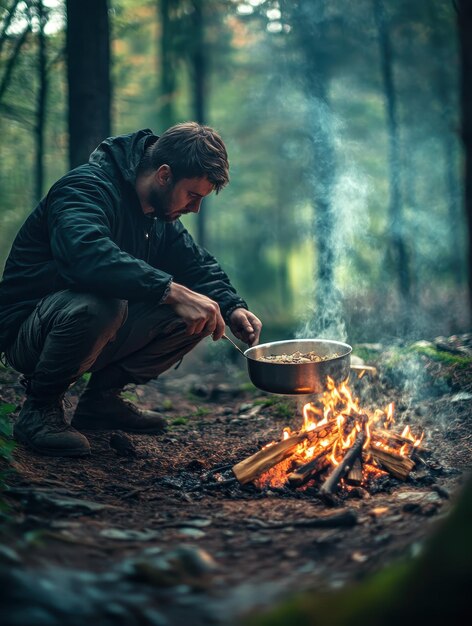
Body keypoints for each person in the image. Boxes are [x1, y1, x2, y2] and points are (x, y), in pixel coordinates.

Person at [0, 122, 262, 457]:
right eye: (192, 195)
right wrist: (170, 290)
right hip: (31, 331)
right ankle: (39, 409)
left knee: (201, 311)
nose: (194, 208)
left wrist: (231, 306)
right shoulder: (84, 188)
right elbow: (86, 257)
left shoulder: (158, 215)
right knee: (101, 305)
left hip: (91, 329)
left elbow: (196, 266)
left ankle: (102, 401)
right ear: (164, 175)